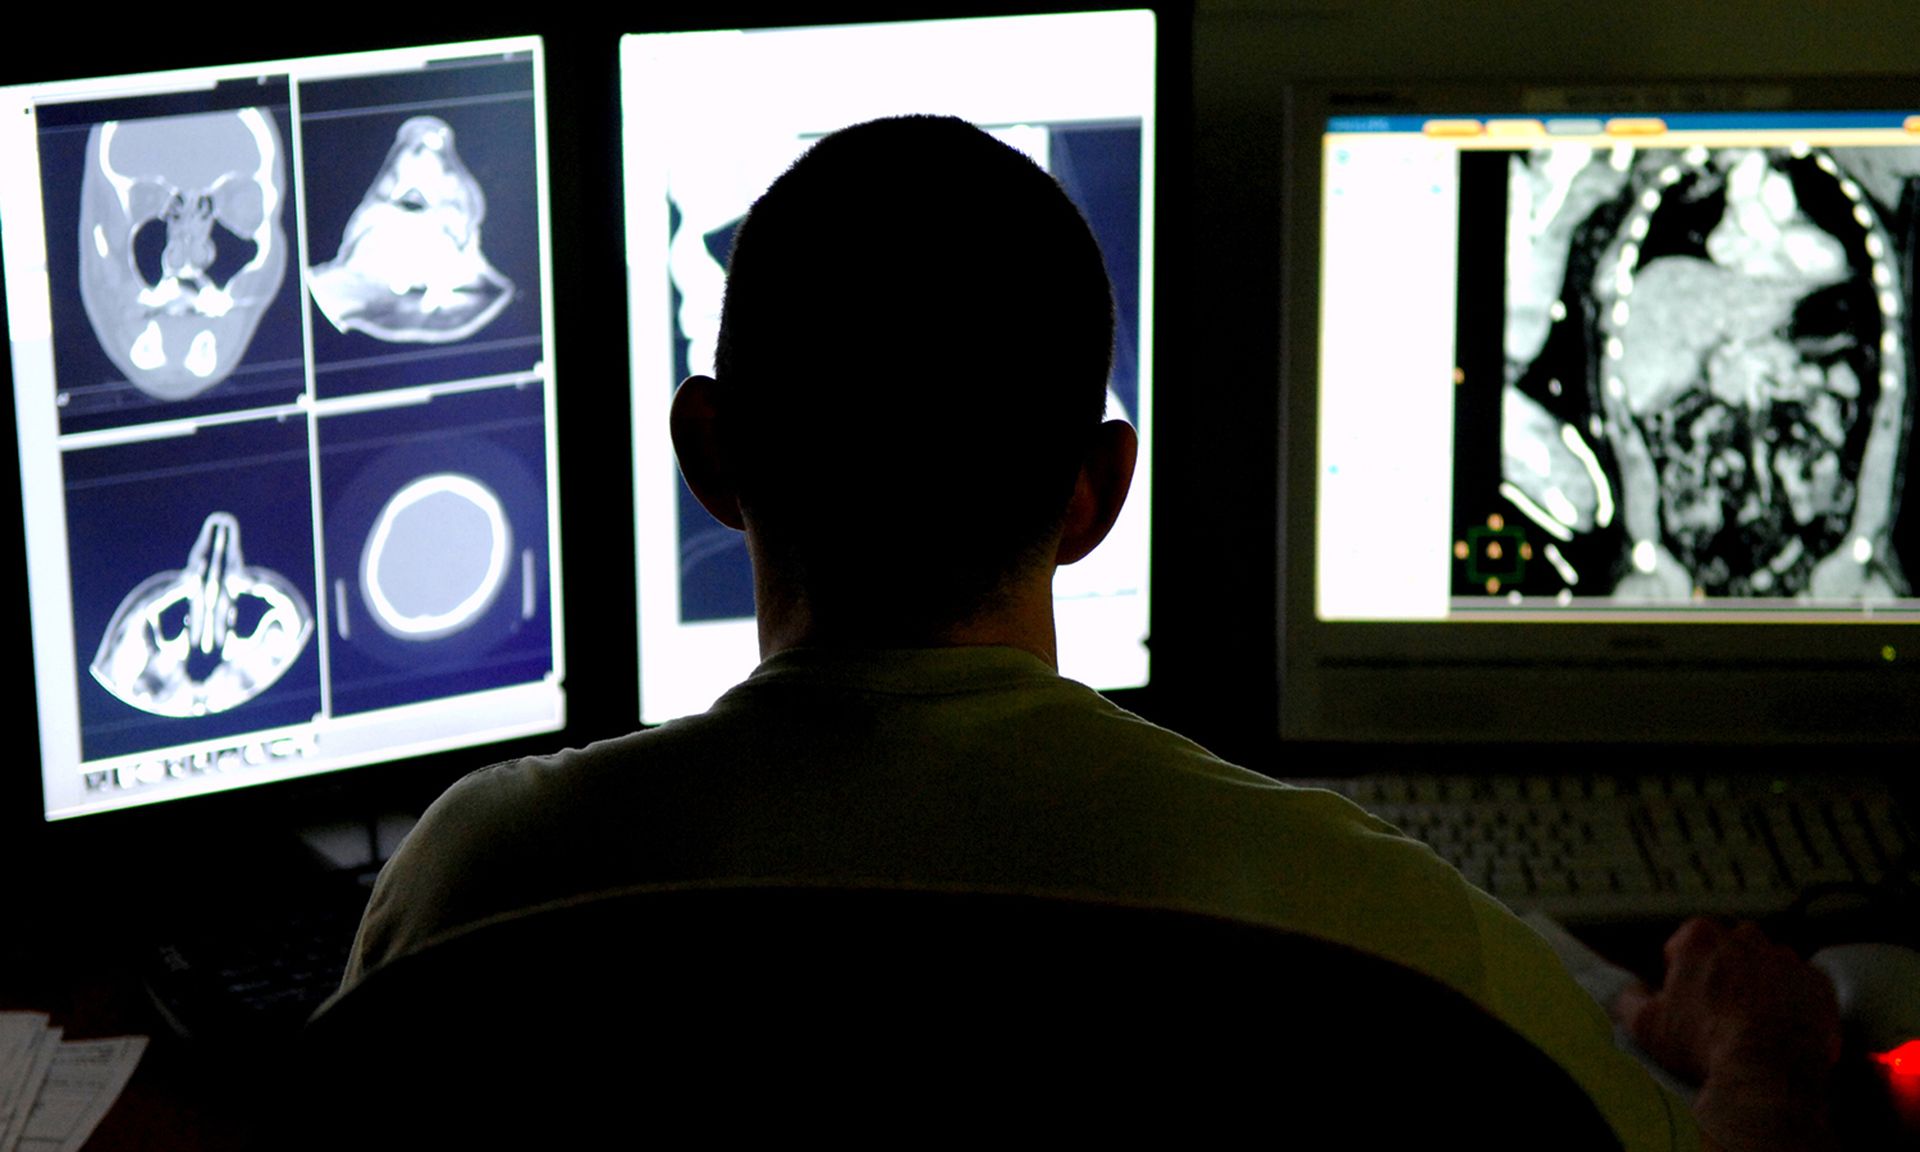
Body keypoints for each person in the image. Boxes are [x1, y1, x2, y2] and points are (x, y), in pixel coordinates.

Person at [344, 116, 1839, 1151]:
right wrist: (1761, 1053)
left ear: (710, 455)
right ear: (1099, 493)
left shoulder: (478, 884)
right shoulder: (1359, 920)